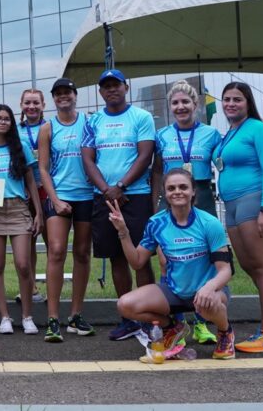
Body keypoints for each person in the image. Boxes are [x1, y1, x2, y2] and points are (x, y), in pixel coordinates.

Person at [112, 168, 236, 360]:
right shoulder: (156, 223)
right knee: (125, 305)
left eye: (183, 187)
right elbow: (137, 262)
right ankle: (172, 327)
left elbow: (225, 270)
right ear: (165, 193)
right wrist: (123, 232)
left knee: (207, 304)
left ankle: (225, 333)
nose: (177, 191)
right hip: (175, 292)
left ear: (193, 191)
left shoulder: (210, 223)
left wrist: (209, 287)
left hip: (208, 293)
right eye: (171, 188)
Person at [212, 81, 263, 353]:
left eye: (237, 99)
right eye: (226, 99)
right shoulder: (230, 133)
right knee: (251, 267)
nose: (230, 104)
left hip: (252, 202)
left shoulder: (258, 129)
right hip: (232, 206)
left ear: (248, 102)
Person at [81, 69, 156, 341]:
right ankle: (128, 319)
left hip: (134, 194)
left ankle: (148, 316)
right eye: (106, 86)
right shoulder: (93, 121)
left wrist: (121, 186)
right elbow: (88, 159)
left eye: (116, 85)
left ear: (126, 87)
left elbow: (145, 154)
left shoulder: (142, 117)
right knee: (116, 257)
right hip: (104, 197)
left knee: (141, 257)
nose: (112, 90)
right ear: (101, 91)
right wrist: (106, 190)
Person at [152, 80, 222, 344]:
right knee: (166, 259)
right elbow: (157, 171)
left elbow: (222, 166)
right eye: (175, 103)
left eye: (185, 102)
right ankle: (177, 323)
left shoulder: (211, 134)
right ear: (170, 107)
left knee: (202, 261)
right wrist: (155, 203)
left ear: (195, 105)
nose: (180, 107)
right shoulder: (162, 136)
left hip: (201, 196)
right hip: (171, 198)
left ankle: (202, 322)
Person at [0, 105, 42, 335]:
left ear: (12, 123)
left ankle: (27, 316)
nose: (2, 122)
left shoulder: (19, 146)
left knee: (23, 264)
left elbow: (31, 181)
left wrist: (38, 213)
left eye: (6, 118)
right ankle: (5, 317)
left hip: (18, 208)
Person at [38, 78, 95, 342]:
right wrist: (55, 200)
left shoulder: (89, 121)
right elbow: (43, 169)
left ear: (75, 95)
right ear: (54, 98)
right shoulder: (48, 128)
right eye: (58, 94)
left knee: (83, 253)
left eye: (67, 93)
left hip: (86, 195)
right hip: (59, 196)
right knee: (57, 251)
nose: (63, 97)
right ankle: (52, 319)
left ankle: (75, 315)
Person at [17, 88, 49, 305]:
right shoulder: (15, 130)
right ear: (21, 105)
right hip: (25, 191)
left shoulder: (51, 127)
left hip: (49, 189)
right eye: (27, 103)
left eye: (36, 103)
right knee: (28, 242)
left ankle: (52, 287)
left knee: (52, 243)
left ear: (43, 105)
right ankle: (30, 288)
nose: (32, 107)